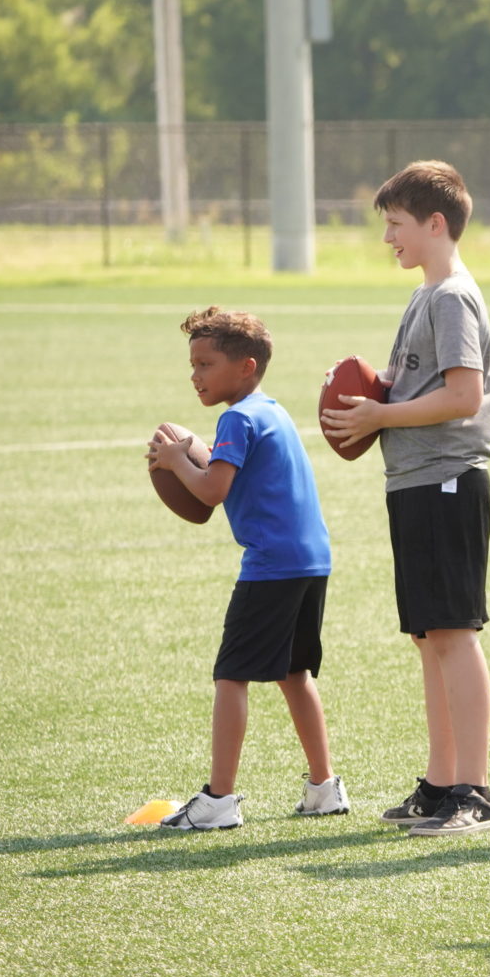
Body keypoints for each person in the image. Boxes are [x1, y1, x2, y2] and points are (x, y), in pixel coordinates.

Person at [322, 160, 490, 836]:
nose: (387, 238)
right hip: (417, 482)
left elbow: (461, 396)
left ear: (435, 224)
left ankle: (477, 791)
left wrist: (378, 417)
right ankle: (441, 781)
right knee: (431, 638)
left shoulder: (452, 295)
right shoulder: (426, 295)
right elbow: (419, 387)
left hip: (449, 478)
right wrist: (371, 392)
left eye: (396, 225)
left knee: (454, 635)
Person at [147, 307, 347, 830]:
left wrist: (175, 462)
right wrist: (196, 456)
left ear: (245, 366)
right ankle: (324, 788)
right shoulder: (271, 410)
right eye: (192, 364)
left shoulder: (236, 417)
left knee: (231, 675)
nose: (195, 375)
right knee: (293, 672)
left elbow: (212, 492)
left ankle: (218, 800)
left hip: (271, 565)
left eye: (206, 364)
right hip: (311, 560)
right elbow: (228, 468)